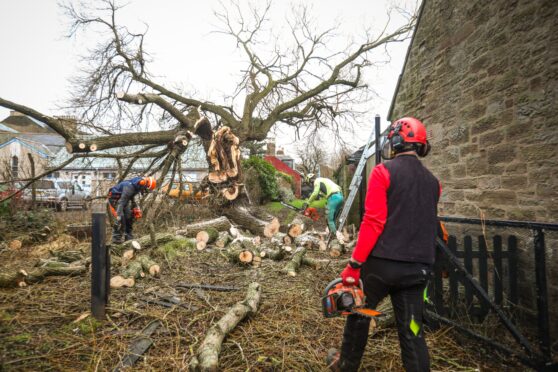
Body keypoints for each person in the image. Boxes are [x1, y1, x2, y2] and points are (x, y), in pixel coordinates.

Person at [328, 117, 441, 372]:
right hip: (418, 270)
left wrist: (354, 264)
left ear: (396, 140)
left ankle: (345, 365)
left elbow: (373, 222)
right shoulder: (434, 183)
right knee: (413, 329)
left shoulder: (383, 171)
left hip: (382, 267)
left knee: (359, 313)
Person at [108, 176, 157, 243]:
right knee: (121, 219)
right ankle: (116, 239)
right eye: (145, 189)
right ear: (144, 184)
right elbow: (121, 202)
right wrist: (118, 215)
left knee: (129, 217)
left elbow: (130, 197)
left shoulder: (136, 186)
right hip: (115, 200)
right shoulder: (129, 187)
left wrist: (135, 207)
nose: (145, 191)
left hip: (124, 200)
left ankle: (129, 238)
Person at [302, 174, 344, 239]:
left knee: (329, 219)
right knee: (334, 219)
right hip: (340, 197)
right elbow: (339, 188)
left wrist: (308, 202)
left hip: (333, 198)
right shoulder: (325, 179)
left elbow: (315, 193)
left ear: (310, 180)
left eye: (310, 183)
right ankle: (334, 234)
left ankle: (335, 237)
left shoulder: (317, 181)